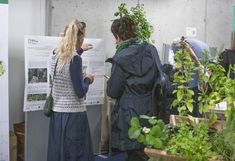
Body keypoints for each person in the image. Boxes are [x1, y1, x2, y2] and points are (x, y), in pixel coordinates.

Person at [106, 17, 161, 161]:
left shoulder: (121, 57)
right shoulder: (151, 50)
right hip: (150, 110)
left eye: (115, 38)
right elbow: (159, 78)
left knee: (133, 154)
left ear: (118, 37)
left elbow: (113, 91)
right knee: (146, 153)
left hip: (129, 115)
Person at [47, 19, 95, 161]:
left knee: (58, 151)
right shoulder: (75, 59)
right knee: (75, 152)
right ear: (80, 37)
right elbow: (80, 92)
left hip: (57, 113)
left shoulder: (54, 54)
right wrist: (88, 79)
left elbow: (66, 65)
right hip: (73, 116)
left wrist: (80, 50)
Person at [171, 37, 210, 117]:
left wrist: (198, 65)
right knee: (202, 87)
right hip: (205, 57)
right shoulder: (193, 42)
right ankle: (199, 112)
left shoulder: (180, 45)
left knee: (192, 85)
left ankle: (193, 113)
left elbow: (191, 56)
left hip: (197, 61)